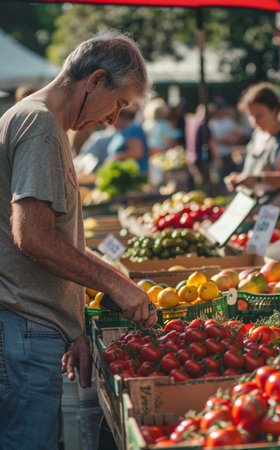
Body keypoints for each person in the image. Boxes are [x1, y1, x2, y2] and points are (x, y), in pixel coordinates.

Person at [0, 31, 157, 449]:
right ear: (95, 80)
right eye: (118, 103)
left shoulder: (42, 123)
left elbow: (56, 238)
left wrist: (75, 326)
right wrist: (116, 284)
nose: (112, 119)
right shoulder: (40, 126)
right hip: (26, 326)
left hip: (34, 325)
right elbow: (32, 237)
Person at [225, 82, 280, 232]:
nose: (255, 121)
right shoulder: (259, 133)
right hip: (266, 216)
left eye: (259, 115)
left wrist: (258, 178)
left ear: (275, 110)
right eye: (251, 115)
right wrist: (242, 179)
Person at [209, 101, 244, 192]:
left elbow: (239, 133)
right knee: (221, 180)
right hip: (220, 155)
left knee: (231, 176)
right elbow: (212, 141)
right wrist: (217, 158)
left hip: (230, 154)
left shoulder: (228, 121)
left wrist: (231, 139)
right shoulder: (212, 124)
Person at [106, 105, 149, 175]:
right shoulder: (120, 132)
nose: (108, 122)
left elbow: (137, 153)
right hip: (122, 174)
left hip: (135, 175)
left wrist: (116, 157)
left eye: (111, 119)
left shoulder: (132, 129)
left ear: (120, 118)